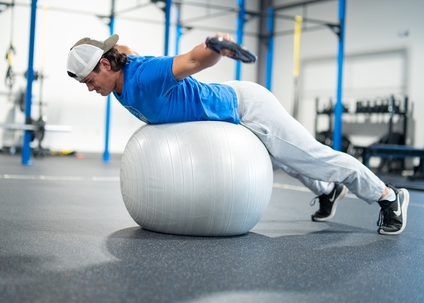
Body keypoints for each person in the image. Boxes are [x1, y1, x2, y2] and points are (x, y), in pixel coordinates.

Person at [66, 33, 410, 236]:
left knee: (310, 156)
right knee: (280, 157)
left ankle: (387, 196)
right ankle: (327, 191)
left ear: (106, 66)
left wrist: (216, 47)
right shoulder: (122, 72)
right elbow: (125, 48)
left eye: (90, 80)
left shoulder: (147, 76)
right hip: (226, 109)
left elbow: (191, 61)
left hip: (246, 107)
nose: (90, 88)